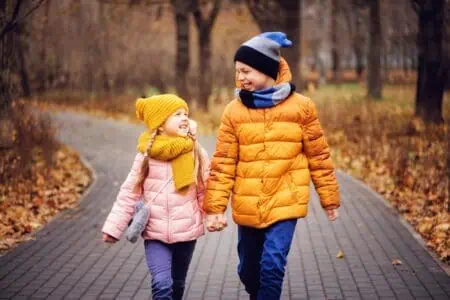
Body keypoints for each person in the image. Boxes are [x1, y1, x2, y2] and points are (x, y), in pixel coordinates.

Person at [203, 32, 341, 300]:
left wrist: (330, 199)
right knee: (248, 270)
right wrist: (215, 208)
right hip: (248, 201)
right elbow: (223, 163)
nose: (240, 77)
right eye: (238, 71)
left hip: (286, 197)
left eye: (246, 71)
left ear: (267, 70)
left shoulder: (302, 108)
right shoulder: (234, 111)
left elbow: (319, 156)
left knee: (273, 264)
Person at [102, 94, 209, 300]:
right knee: (162, 284)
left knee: (177, 285)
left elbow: (205, 188)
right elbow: (129, 193)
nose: (184, 118)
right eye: (177, 114)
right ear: (160, 124)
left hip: (186, 233)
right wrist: (113, 228)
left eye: (186, 113)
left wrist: (214, 216)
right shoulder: (145, 156)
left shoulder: (194, 151)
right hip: (155, 234)